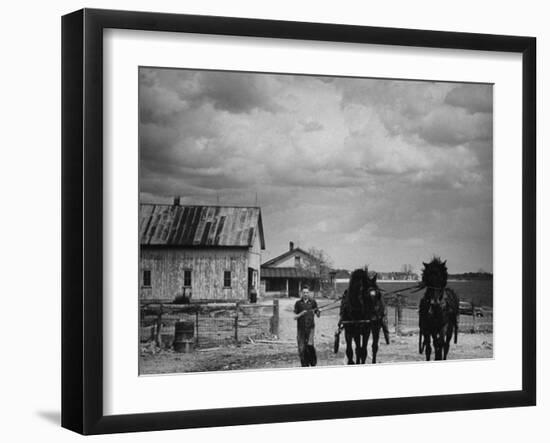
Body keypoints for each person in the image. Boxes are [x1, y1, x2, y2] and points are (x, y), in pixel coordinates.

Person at [294, 285, 320, 367]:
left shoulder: (313, 302)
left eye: (307, 292)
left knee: (309, 345)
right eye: (304, 292)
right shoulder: (298, 303)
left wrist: (319, 311)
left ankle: (313, 362)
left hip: (311, 327)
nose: (305, 294)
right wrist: (301, 313)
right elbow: (295, 317)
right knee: (301, 348)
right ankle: (304, 365)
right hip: (301, 328)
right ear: (301, 293)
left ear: (309, 293)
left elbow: (318, 315)